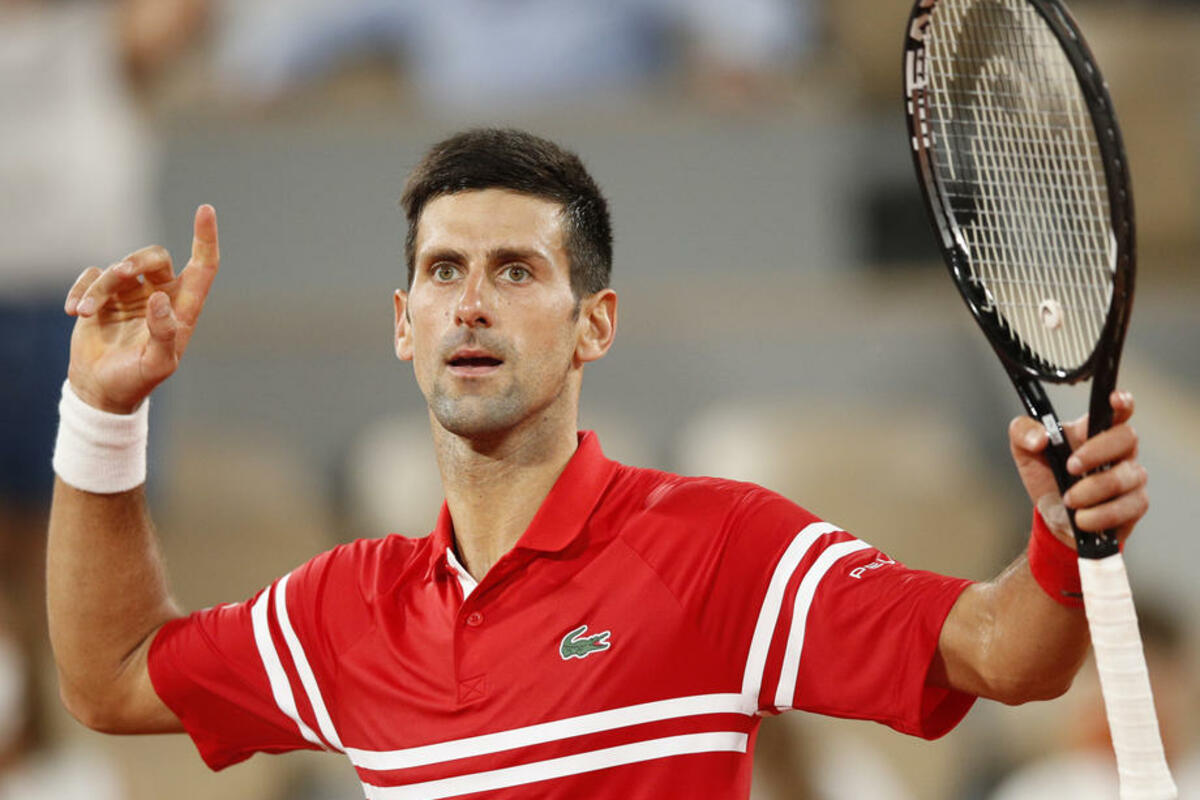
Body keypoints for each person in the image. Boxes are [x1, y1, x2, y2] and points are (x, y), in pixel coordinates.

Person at [46, 129, 1149, 798]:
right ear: (402, 322)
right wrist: (103, 410)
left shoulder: (717, 550)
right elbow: (112, 678)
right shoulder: (345, 612)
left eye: (517, 271)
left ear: (595, 324)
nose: (471, 302)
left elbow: (1002, 654)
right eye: (443, 271)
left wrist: (1062, 542)